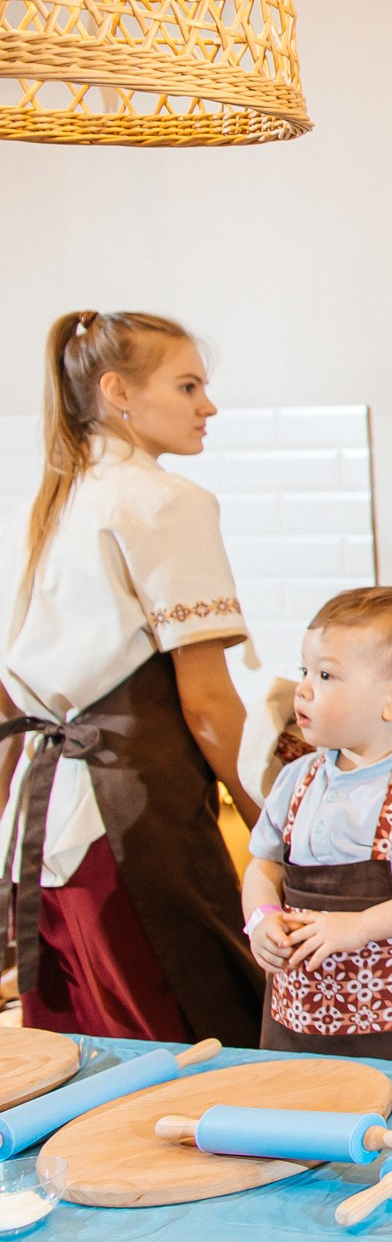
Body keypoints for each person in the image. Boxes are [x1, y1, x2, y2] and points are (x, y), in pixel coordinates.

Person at [0, 311, 260, 1044]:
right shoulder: (164, 501)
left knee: (86, 1049)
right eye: (187, 386)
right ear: (117, 391)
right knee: (194, 1034)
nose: (207, 406)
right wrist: (266, 818)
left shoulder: (37, 508)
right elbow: (207, 702)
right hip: (132, 816)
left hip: (45, 826)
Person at [244, 588, 392, 1062]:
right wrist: (261, 920)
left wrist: (359, 928)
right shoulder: (295, 780)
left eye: (327, 674)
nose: (304, 689)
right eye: (305, 671)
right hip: (297, 1020)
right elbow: (264, 866)